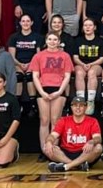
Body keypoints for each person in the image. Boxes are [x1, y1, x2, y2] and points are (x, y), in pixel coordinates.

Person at [31, 32, 74, 162]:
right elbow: (35, 76)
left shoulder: (65, 56)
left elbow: (67, 76)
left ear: (59, 41)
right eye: (49, 39)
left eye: (55, 39)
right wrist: (42, 92)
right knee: (44, 120)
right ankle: (44, 150)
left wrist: (60, 91)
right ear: (46, 40)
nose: (52, 41)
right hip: (43, 88)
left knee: (55, 120)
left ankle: (54, 151)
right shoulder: (39, 55)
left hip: (58, 89)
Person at [43, 95, 103, 172]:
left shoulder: (92, 121)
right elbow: (52, 136)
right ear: (71, 107)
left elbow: (98, 138)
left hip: (84, 153)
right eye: (75, 105)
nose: (78, 108)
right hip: (66, 153)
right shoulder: (64, 120)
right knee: (46, 147)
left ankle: (67, 166)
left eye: (81, 105)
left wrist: (91, 141)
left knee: (98, 147)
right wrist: (49, 142)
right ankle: (77, 165)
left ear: (86, 107)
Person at [71, 18, 103, 116]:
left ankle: (90, 101)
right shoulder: (78, 40)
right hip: (80, 63)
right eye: (85, 25)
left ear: (94, 27)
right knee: (79, 73)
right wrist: (82, 64)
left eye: (90, 25)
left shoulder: (100, 41)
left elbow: (102, 58)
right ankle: (80, 101)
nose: (87, 27)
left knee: (91, 73)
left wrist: (91, 64)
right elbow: (75, 57)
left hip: (96, 64)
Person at [7, 14, 43, 105]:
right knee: (18, 76)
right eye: (23, 21)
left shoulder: (37, 37)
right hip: (17, 63)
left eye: (28, 21)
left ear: (31, 23)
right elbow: (11, 56)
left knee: (29, 75)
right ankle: (18, 104)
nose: (25, 23)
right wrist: (19, 64)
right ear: (20, 23)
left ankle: (33, 104)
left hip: (33, 63)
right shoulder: (14, 37)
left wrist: (30, 64)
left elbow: (38, 55)